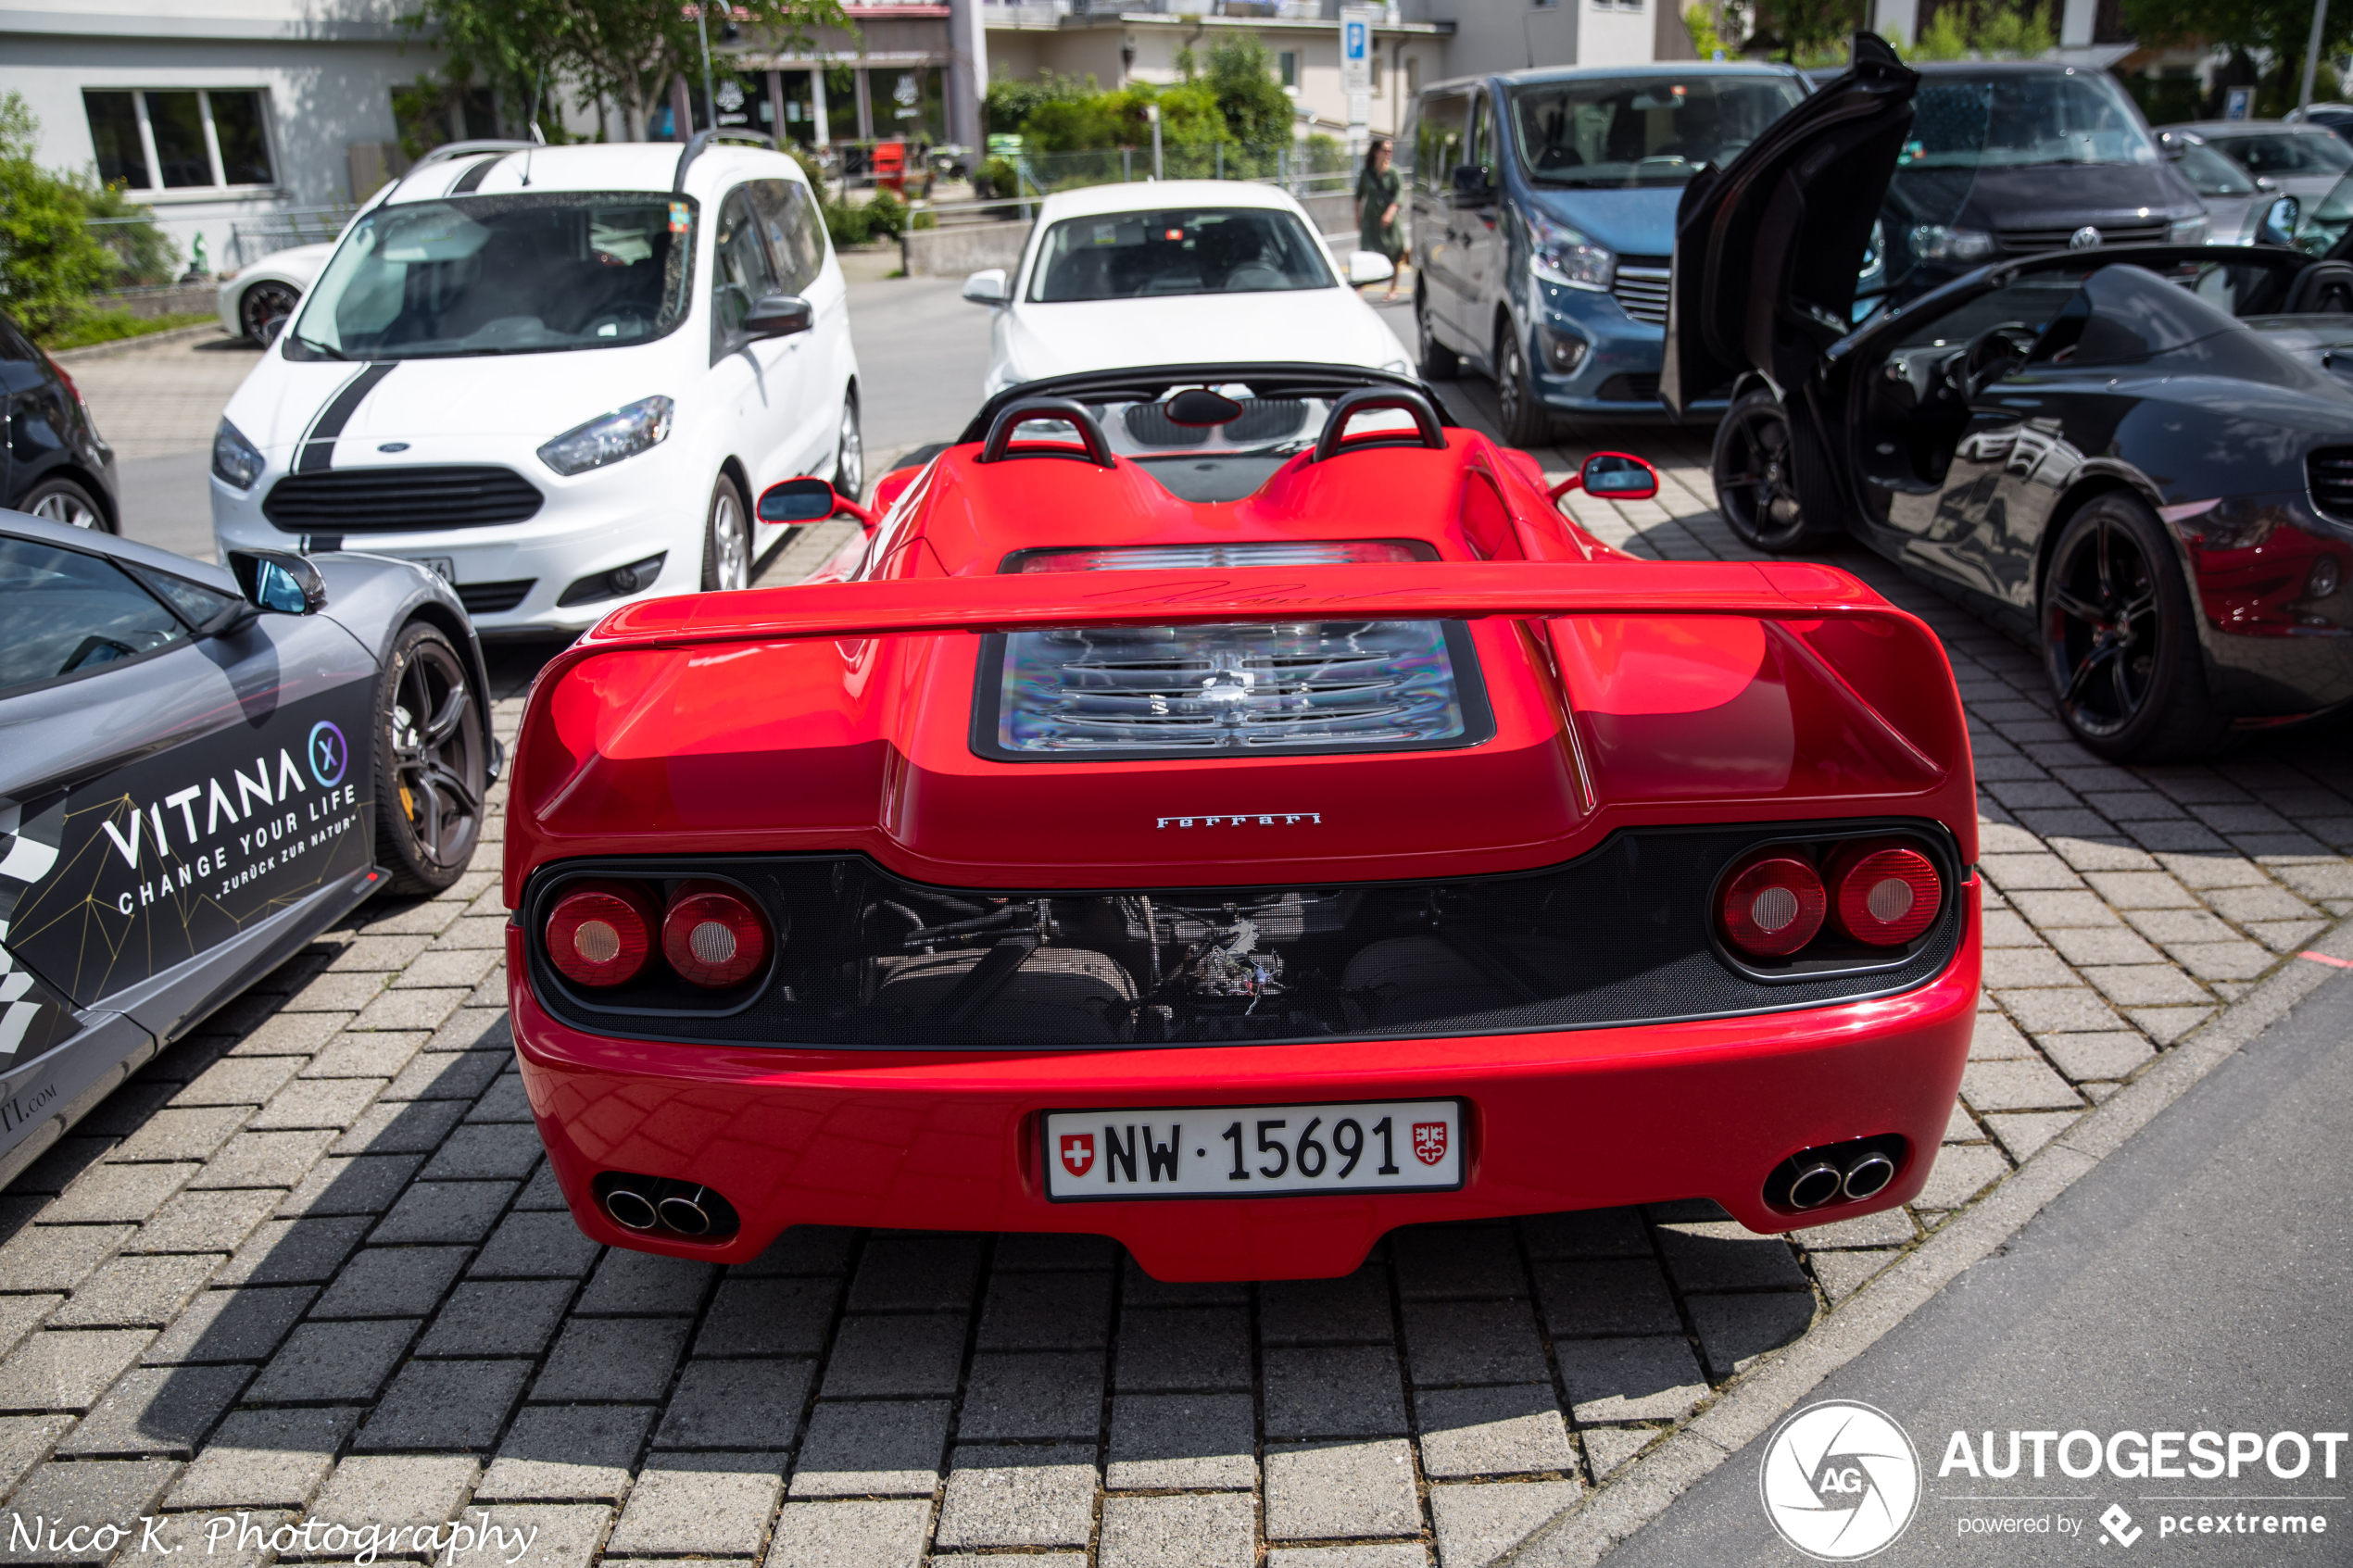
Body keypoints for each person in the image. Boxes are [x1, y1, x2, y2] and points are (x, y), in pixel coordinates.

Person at [1355, 136, 1406, 302]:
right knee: (1366, 252)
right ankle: (1359, 289)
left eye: (1390, 151)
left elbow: (1399, 196)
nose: (1388, 154)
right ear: (1376, 152)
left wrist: (1390, 213)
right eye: (1385, 150)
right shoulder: (1367, 173)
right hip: (1371, 220)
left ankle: (1392, 290)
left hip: (1389, 221)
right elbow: (1358, 197)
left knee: (1394, 252)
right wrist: (1357, 217)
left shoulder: (1394, 174)